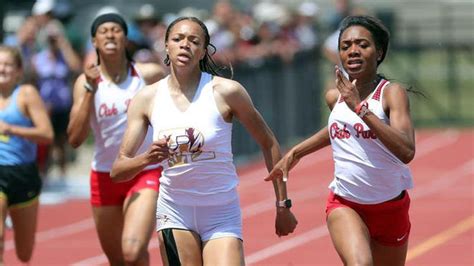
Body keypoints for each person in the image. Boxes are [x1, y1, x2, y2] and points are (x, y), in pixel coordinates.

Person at [110, 16, 298, 265]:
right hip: (175, 211)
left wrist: (282, 204)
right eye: (177, 39)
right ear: (166, 45)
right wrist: (147, 158)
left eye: (193, 41)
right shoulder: (147, 98)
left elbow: (269, 143)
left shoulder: (226, 92)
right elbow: (118, 170)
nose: (185, 45)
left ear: (203, 51)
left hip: (220, 211)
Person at [266, 15, 415, 266]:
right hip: (346, 204)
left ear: (378, 52)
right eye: (345, 46)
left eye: (362, 45)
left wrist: (360, 108)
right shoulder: (335, 97)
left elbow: (406, 150)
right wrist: (296, 153)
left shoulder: (391, 93)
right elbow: (339, 129)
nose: (353, 51)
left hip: (391, 209)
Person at [67, 13, 165, 265]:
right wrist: (89, 88)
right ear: (94, 42)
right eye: (103, 31)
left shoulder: (148, 75)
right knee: (121, 260)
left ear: (126, 38)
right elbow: (75, 139)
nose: (110, 34)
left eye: (116, 30)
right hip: (104, 175)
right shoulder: (85, 83)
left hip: (144, 170)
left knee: (132, 250)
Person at [0, 45, 54, 264]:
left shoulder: (26, 94)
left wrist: (12, 129)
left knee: (25, 252)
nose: (2, 68)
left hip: (24, 175)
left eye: (7, 65)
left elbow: (47, 134)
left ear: (18, 71)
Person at [31, 21, 81, 182]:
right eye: (50, 38)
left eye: (55, 38)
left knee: (61, 141)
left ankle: (62, 174)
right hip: (44, 107)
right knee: (45, 141)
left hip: (62, 106)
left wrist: (63, 44)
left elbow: (75, 66)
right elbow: (32, 80)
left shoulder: (64, 57)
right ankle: (44, 174)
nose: (52, 41)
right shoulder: (38, 58)